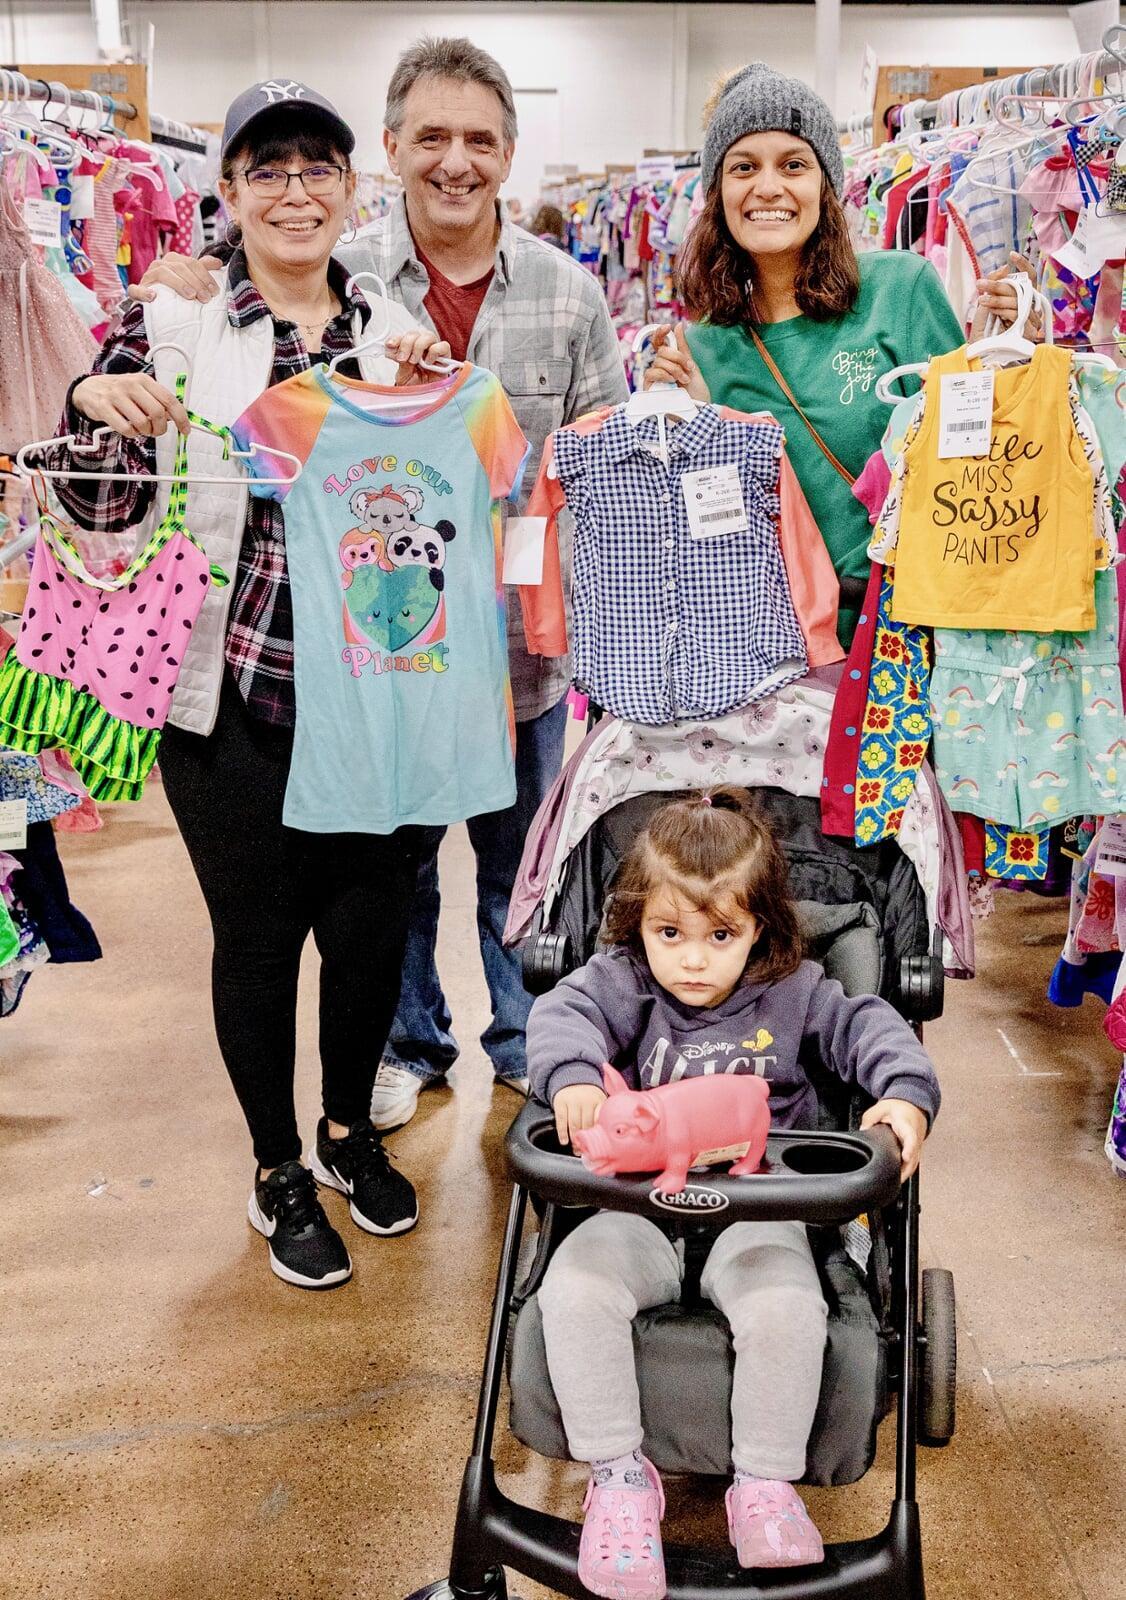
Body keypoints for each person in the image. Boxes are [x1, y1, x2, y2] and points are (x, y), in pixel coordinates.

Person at [135, 39, 629, 1129]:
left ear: (509, 154)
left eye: (481, 141)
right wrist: (163, 302)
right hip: (365, 668)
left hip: (517, 657)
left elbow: (592, 469)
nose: (456, 161)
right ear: (394, 152)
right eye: (433, 138)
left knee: (525, 871)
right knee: (392, 892)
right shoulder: (354, 286)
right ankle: (406, 1051)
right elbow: (240, 317)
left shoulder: (560, 293)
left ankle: (527, 1043)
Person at [43, 82, 452, 1291]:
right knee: (262, 936)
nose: (293, 190)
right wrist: (89, 401)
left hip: (381, 688)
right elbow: (100, 511)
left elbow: (440, 513)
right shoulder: (167, 328)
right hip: (225, 691)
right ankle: (277, 1165)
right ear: (225, 192)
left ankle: (346, 1132)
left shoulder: (392, 324)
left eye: (316, 167)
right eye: (266, 169)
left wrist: (429, 382)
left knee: (372, 926)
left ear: (349, 189)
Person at [527, 789, 940, 1592]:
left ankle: (764, 1482)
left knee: (786, 1305)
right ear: (637, 925)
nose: (692, 959)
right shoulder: (621, 983)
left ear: (761, 929)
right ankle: (617, 1478)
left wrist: (903, 1092)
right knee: (572, 1291)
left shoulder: (799, 992)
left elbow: (872, 1026)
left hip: (763, 1214)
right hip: (638, 1208)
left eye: (721, 936)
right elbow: (560, 1013)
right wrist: (573, 1077)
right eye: (669, 934)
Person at [645, 61, 1039, 646]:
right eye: (743, 167)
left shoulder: (900, 290)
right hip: (769, 647)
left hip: (905, 633)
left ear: (826, 185)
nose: (768, 188)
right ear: (717, 192)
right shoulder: (699, 346)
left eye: (794, 165)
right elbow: (705, 531)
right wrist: (698, 424)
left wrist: (1014, 360)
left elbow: (972, 459)